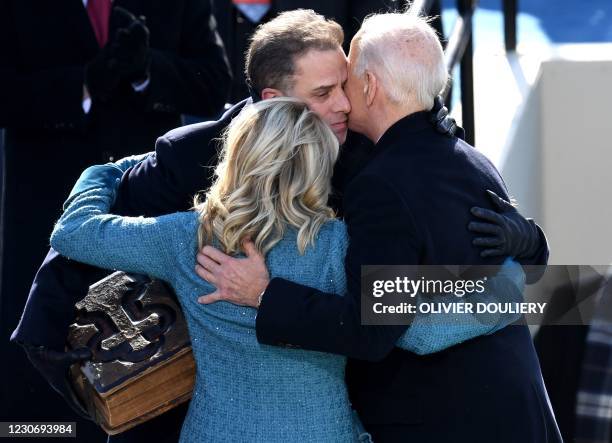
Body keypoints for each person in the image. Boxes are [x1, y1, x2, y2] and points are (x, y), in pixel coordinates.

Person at [12, 9, 544, 442]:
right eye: (323, 94)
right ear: (274, 102)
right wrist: (515, 282)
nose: (344, 103)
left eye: (346, 85)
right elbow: (415, 331)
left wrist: (105, 169)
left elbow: (78, 230)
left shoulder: (187, 236)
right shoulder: (339, 241)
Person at [194, 12, 562, 443]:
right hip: (519, 412)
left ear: (369, 86)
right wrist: (531, 249)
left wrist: (264, 294)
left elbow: (371, 330)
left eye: (346, 81)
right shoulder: (467, 156)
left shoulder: (381, 185)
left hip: (447, 421)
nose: (343, 102)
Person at [0, 0, 231, 435]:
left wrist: (149, 69)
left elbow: (213, 83)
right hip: (45, 208)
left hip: (143, 217)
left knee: (151, 383)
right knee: (37, 370)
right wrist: (82, 86)